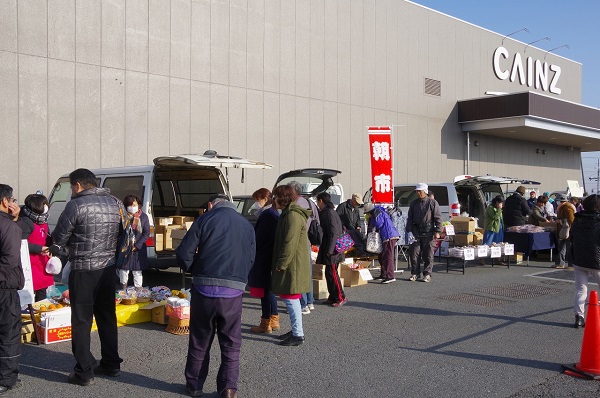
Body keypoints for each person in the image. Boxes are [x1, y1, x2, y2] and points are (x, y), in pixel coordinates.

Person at [176, 193, 255, 398]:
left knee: (200, 338)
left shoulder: (204, 219)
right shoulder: (246, 224)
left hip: (204, 288)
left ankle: (194, 385)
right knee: (231, 342)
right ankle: (228, 389)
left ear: (211, 205)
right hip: (233, 290)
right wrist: (240, 278)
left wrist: (195, 271)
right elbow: (251, 257)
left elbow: (184, 253)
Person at [50, 169, 123, 386]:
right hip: (109, 267)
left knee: (82, 319)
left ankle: (84, 371)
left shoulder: (76, 205)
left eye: (72, 187)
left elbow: (59, 237)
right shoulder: (115, 202)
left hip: (83, 268)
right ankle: (111, 364)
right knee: (107, 316)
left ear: (78, 185)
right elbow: (123, 233)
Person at [271, 185, 311, 346]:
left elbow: (290, 243)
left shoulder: (292, 216)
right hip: (293, 263)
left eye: (276, 196)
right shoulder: (289, 214)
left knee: (291, 299)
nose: (273, 200)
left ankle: (298, 334)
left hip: (292, 265)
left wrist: (281, 263)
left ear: (283, 198)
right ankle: (296, 331)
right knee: (291, 298)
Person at [0, 184, 25, 396]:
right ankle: (6, 378)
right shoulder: (9, 227)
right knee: (8, 333)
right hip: (5, 287)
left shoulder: (10, 224)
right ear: (6, 201)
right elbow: (10, 259)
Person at [248, 189, 280, 334]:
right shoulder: (273, 213)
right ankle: (274, 320)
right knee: (269, 290)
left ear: (264, 199)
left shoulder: (267, 215)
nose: (256, 203)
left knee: (264, 290)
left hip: (264, 256)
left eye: (257, 199)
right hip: (270, 256)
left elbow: (260, 238)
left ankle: (265, 322)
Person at [569, 194, 600, 329]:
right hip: (597, 260)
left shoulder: (578, 219)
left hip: (579, 259)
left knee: (581, 290)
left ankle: (579, 317)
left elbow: (572, 238)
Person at [287, 181, 316, 314]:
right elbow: (317, 221)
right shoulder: (310, 203)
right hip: (308, 242)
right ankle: (310, 302)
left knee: (298, 274)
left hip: (299, 243)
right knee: (307, 273)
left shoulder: (294, 206)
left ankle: (302, 304)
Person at [21, 194, 55, 302]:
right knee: (30, 293)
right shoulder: (26, 222)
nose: (46, 207)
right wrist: (39, 248)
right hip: (31, 264)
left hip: (42, 262)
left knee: (42, 294)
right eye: (44, 205)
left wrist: (51, 248)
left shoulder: (43, 220)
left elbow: (47, 238)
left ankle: (41, 315)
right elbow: (21, 243)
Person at [406, 183, 442, 283]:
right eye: (417, 191)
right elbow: (410, 218)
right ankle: (415, 273)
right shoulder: (413, 203)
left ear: (425, 191)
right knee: (414, 254)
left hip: (429, 232)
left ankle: (427, 274)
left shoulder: (432, 203)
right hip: (416, 231)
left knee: (428, 255)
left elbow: (438, 218)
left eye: (419, 191)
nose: (417, 193)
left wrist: (438, 231)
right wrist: (409, 231)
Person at [316, 192, 347, 306]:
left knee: (333, 273)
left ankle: (340, 297)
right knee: (329, 273)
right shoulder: (329, 212)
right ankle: (333, 296)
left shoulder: (329, 213)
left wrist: (329, 250)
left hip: (333, 249)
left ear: (321, 201)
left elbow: (334, 233)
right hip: (332, 247)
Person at [117, 195, 150, 290]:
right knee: (123, 270)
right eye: (130, 205)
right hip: (125, 248)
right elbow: (118, 232)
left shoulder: (143, 217)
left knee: (137, 271)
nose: (133, 207)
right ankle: (123, 290)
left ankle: (138, 291)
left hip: (138, 249)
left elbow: (146, 233)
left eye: (135, 205)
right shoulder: (122, 217)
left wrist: (137, 245)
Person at [364, 202, 400, 284]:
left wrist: (372, 228)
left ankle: (390, 276)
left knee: (388, 256)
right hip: (388, 235)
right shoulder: (378, 211)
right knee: (382, 255)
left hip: (389, 235)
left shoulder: (377, 212)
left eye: (367, 213)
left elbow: (379, 223)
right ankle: (384, 274)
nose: (367, 215)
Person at [481, 196, 505, 265]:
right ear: (496, 202)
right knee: (487, 243)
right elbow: (495, 217)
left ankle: (497, 259)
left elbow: (500, 219)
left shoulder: (499, 209)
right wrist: (498, 209)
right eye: (500, 203)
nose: (501, 204)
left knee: (497, 244)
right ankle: (482, 258)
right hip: (491, 228)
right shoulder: (490, 208)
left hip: (498, 228)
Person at [553, 194, 575, 269]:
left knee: (568, 248)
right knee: (562, 247)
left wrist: (560, 221)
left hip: (568, 229)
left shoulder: (567, 207)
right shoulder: (563, 207)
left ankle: (570, 264)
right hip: (563, 229)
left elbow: (571, 219)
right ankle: (560, 263)